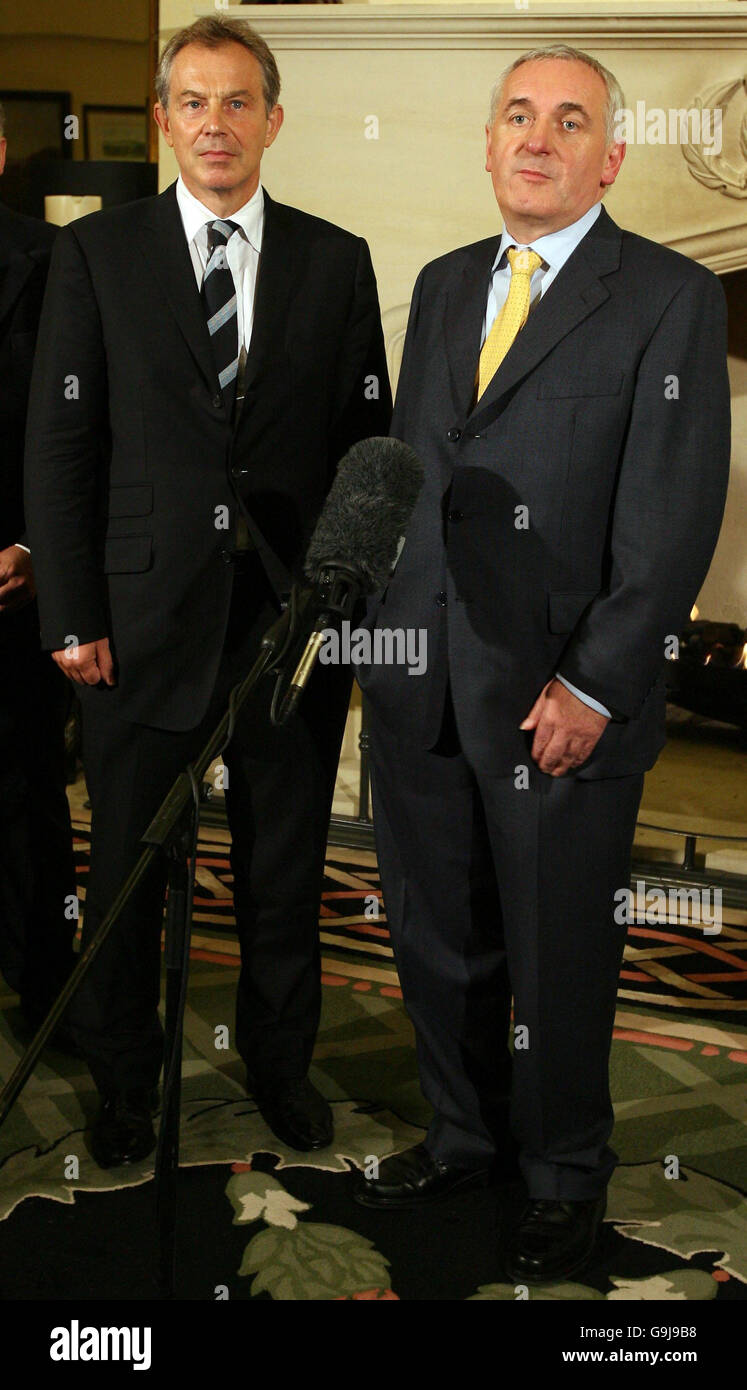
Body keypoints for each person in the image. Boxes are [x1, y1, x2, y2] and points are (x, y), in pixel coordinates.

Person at [355, 45, 730, 1283]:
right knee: (436, 933)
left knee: (558, 951)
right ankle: (464, 1136)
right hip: (424, 689)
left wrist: (600, 683)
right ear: (488, 141)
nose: (538, 136)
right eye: (518, 114)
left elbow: (671, 515)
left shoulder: (669, 296)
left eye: (569, 121)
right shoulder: (446, 281)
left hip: (560, 697)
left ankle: (565, 1173)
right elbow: (417, 479)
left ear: (610, 156)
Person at [24, 16, 391, 1168]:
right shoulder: (96, 254)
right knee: (132, 872)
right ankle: (126, 1083)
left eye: (239, 102)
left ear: (274, 119)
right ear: (167, 118)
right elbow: (61, 444)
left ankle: (281, 1069)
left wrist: (346, 613)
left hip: (289, 629)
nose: (216, 123)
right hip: (135, 624)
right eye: (194, 101)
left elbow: (365, 443)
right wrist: (72, 612)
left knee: (282, 871)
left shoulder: (338, 260)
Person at [0, 105, 77, 1041]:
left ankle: (44, 987)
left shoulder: (54, 263)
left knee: (23, 792)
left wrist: (31, 545)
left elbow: (72, 429)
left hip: (13, 585)